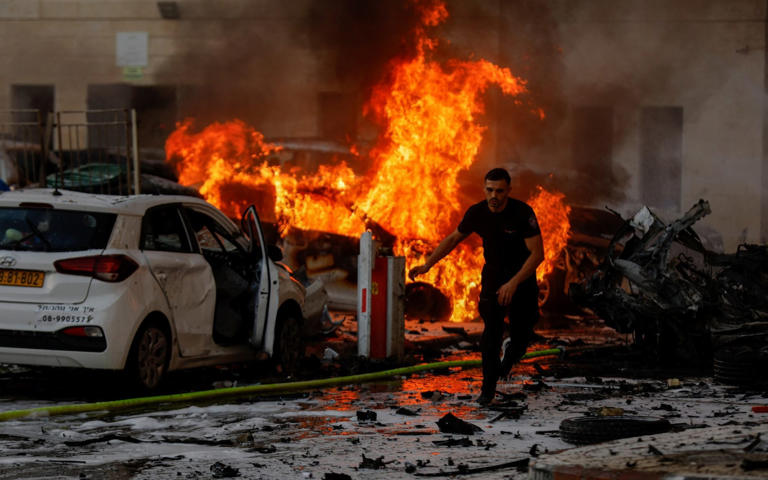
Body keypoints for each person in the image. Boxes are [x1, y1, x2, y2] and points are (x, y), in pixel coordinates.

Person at [409, 167, 544, 405]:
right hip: (493, 277)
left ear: (508, 191)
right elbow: (453, 239)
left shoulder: (522, 213)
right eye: (490, 190)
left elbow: (537, 255)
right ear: (484, 189)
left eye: (500, 191)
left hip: (521, 279)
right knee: (490, 334)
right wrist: (427, 265)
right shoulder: (477, 213)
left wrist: (513, 283)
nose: (494, 196)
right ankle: (488, 389)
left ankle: (512, 352)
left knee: (523, 333)